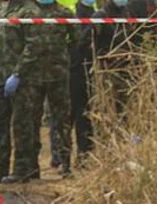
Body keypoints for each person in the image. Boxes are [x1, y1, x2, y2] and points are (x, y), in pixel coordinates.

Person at [0, 0, 42, 183]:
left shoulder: (30, 11)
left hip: (22, 79)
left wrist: (18, 73)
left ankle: (22, 169)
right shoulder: (3, 9)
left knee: (22, 125)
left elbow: (33, 47)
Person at [32, 0, 75, 177]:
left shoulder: (65, 14)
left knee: (62, 120)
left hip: (58, 75)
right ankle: (31, 166)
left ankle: (65, 163)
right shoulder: (30, 13)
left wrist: (62, 56)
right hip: (34, 74)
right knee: (32, 121)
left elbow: (75, 38)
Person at [70, 0, 98, 160]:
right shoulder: (76, 15)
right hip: (75, 68)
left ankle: (85, 151)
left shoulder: (95, 14)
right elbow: (80, 42)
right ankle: (67, 156)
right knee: (76, 112)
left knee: (85, 112)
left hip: (87, 68)